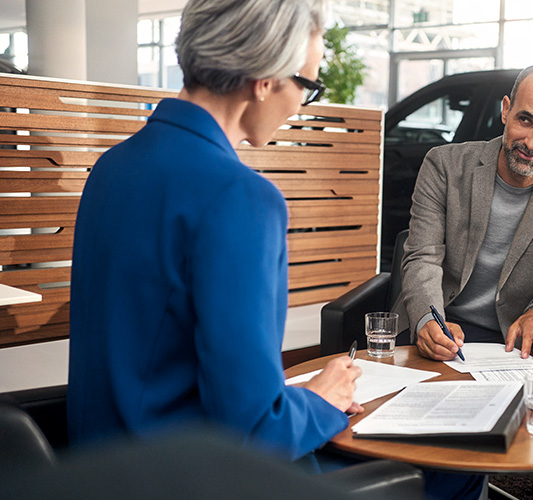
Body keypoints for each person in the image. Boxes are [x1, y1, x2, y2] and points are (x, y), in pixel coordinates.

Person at [67, 0, 362, 465]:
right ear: (265, 81)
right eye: (308, 86)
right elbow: (255, 433)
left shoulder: (111, 168)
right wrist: (324, 398)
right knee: (448, 477)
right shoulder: (240, 198)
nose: (302, 105)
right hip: (191, 476)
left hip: (95, 470)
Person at [393, 63, 533, 362]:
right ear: (506, 110)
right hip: (433, 321)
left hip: (508, 344)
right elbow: (422, 256)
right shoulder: (444, 166)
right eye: (525, 120)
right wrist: (428, 321)